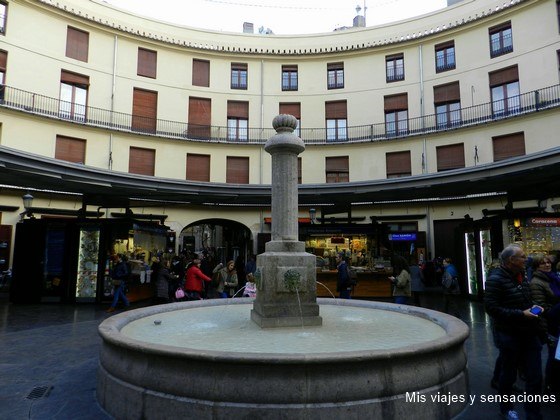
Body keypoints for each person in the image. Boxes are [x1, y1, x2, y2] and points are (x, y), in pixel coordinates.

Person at [484, 245, 544, 420]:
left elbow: (524, 299)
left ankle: (533, 414)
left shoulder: (522, 276)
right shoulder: (495, 279)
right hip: (509, 334)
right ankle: (506, 408)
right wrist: (521, 314)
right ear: (511, 260)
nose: (526, 259)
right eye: (523, 257)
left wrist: (533, 308)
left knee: (535, 376)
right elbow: (491, 308)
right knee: (508, 374)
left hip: (529, 333)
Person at [530, 254, 560, 397]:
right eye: (543, 263)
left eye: (548, 262)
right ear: (537, 266)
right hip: (551, 323)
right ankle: (550, 384)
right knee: (554, 355)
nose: (547, 265)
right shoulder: (536, 282)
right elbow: (539, 308)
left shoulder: (553, 278)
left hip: (557, 320)